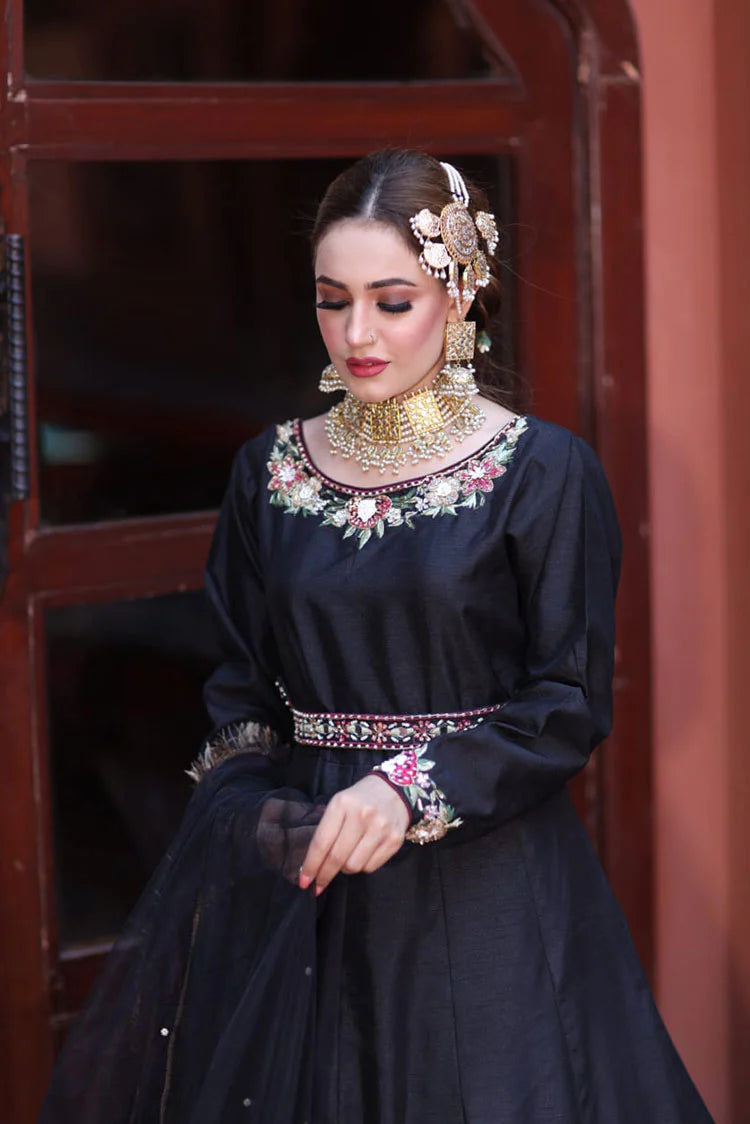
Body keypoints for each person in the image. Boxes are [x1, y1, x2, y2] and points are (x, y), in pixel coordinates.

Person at [40, 149, 713, 1123]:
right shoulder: (271, 472)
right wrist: (261, 812)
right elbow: (239, 688)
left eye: (392, 302)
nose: (357, 333)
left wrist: (408, 790)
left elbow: (566, 700)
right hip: (313, 881)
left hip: (483, 881)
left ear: (461, 293)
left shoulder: (540, 473)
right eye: (332, 300)